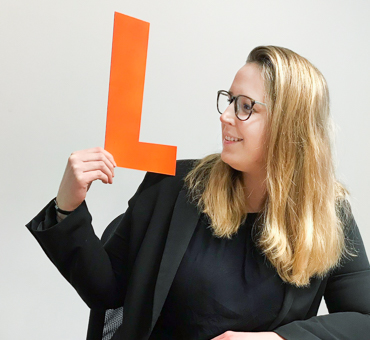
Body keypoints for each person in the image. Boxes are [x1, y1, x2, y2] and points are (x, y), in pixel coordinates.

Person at [26, 46, 370, 340]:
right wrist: (67, 208)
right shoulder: (175, 184)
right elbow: (107, 292)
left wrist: (280, 338)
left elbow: (364, 319)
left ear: (288, 124)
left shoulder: (326, 212)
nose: (225, 116)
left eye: (246, 106)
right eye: (230, 100)